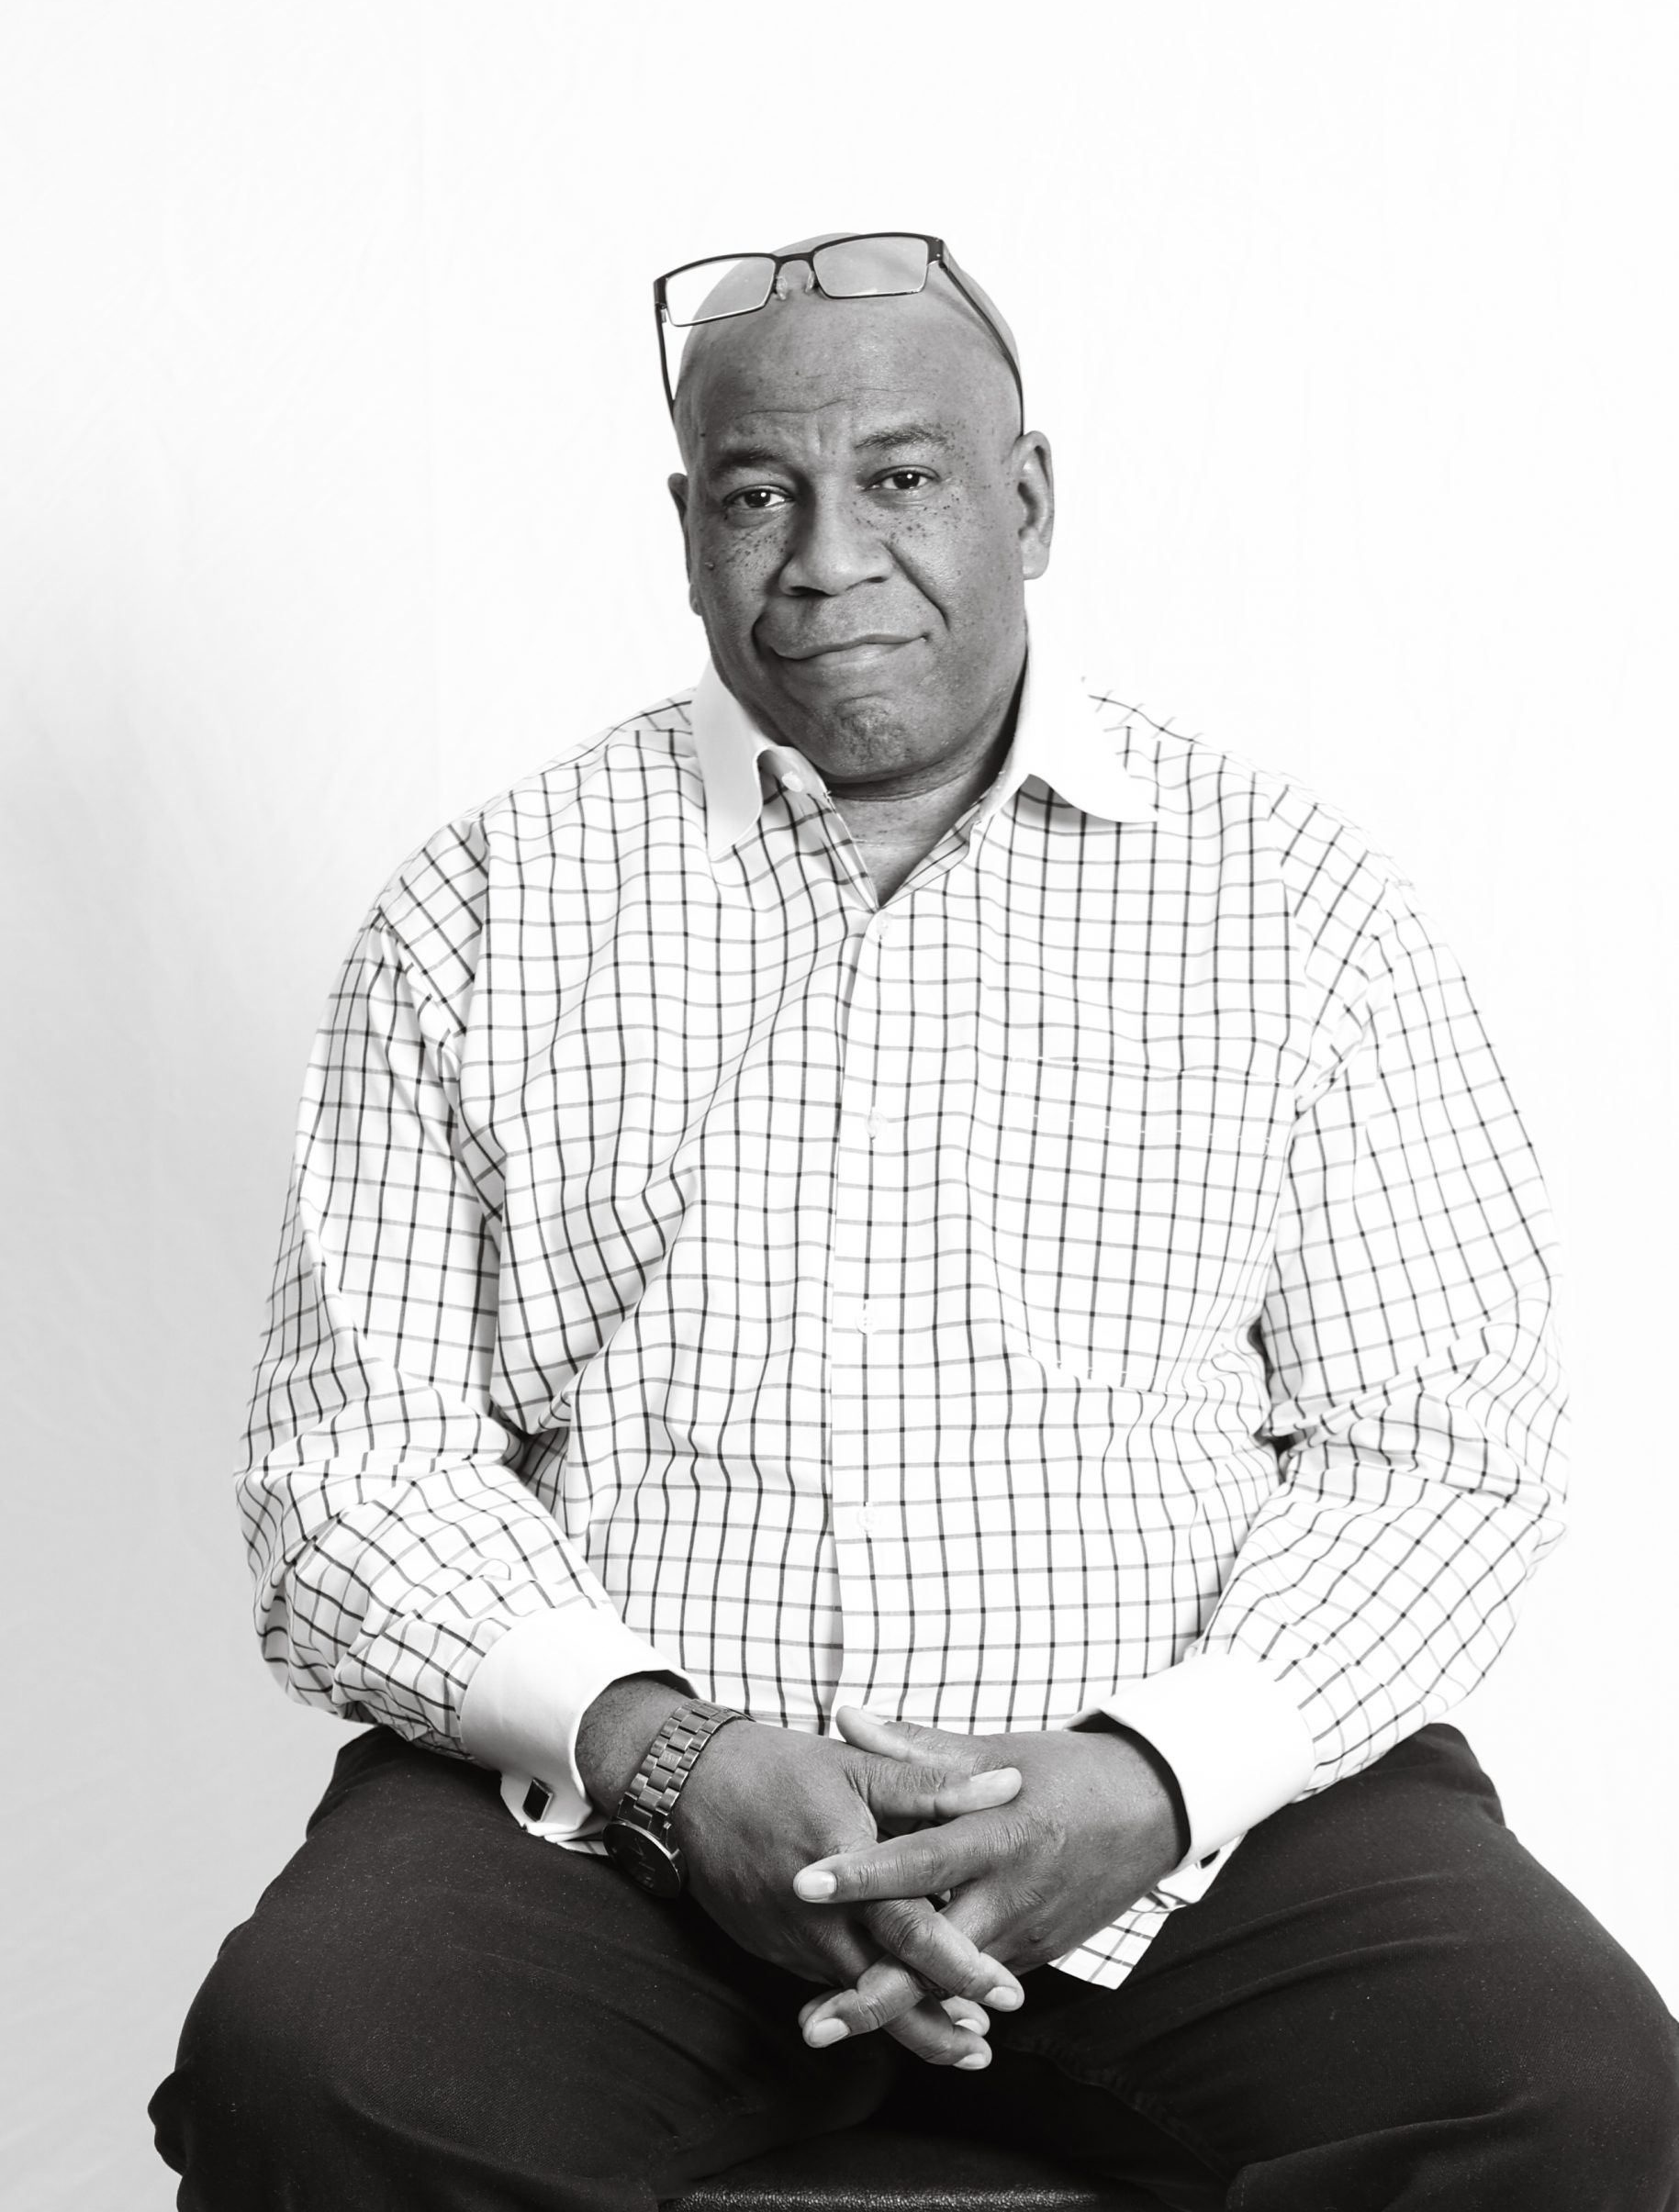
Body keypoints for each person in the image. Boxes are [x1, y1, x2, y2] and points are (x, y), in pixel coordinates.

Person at [151, 232, 1677, 2211]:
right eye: (758, 492)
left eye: (900, 478)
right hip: (616, 1831)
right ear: (686, 524)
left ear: (1028, 500)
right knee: (313, 2068)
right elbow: (353, 1468)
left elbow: (1445, 1443)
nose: (824, 556)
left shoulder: (1298, 904)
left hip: (1192, 1825)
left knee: (1573, 2094)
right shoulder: (485, 908)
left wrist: (1150, 1772)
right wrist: (671, 1759)